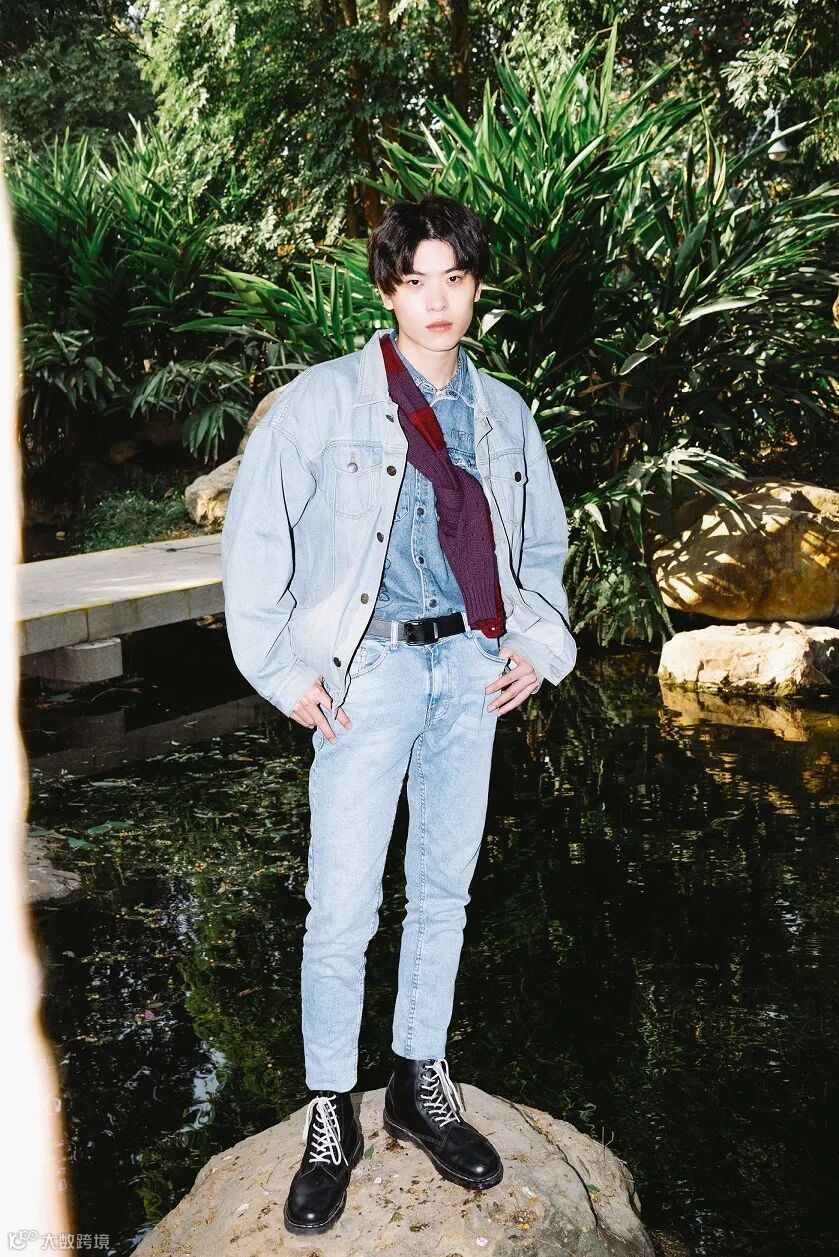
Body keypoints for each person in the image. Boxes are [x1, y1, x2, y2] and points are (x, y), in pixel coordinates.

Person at [221, 193, 577, 1236]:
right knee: (341, 906)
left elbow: (541, 547)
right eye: (415, 281)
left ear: (475, 287)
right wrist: (282, 672)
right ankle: (330, 1112)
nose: (437, 301)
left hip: (469, 668)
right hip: (366, 674)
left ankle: (419, 1083)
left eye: (454, 279)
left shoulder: (503, 411)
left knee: (442, 892)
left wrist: (537, 647)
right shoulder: (322, 402)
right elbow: (255, 543)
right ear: (386, 290)